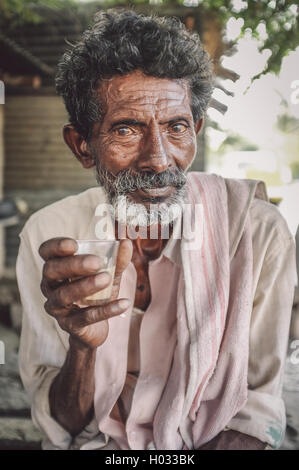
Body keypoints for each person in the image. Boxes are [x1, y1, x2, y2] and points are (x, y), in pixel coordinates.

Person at [16, 9, 296, 450]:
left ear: (196, 131)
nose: (159, 160)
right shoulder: (49, 234)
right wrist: (83, 348)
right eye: (127, 129)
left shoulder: (257, 235)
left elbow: (255, 416)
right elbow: (63, 425)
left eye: (176, 127)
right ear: (82, 146)